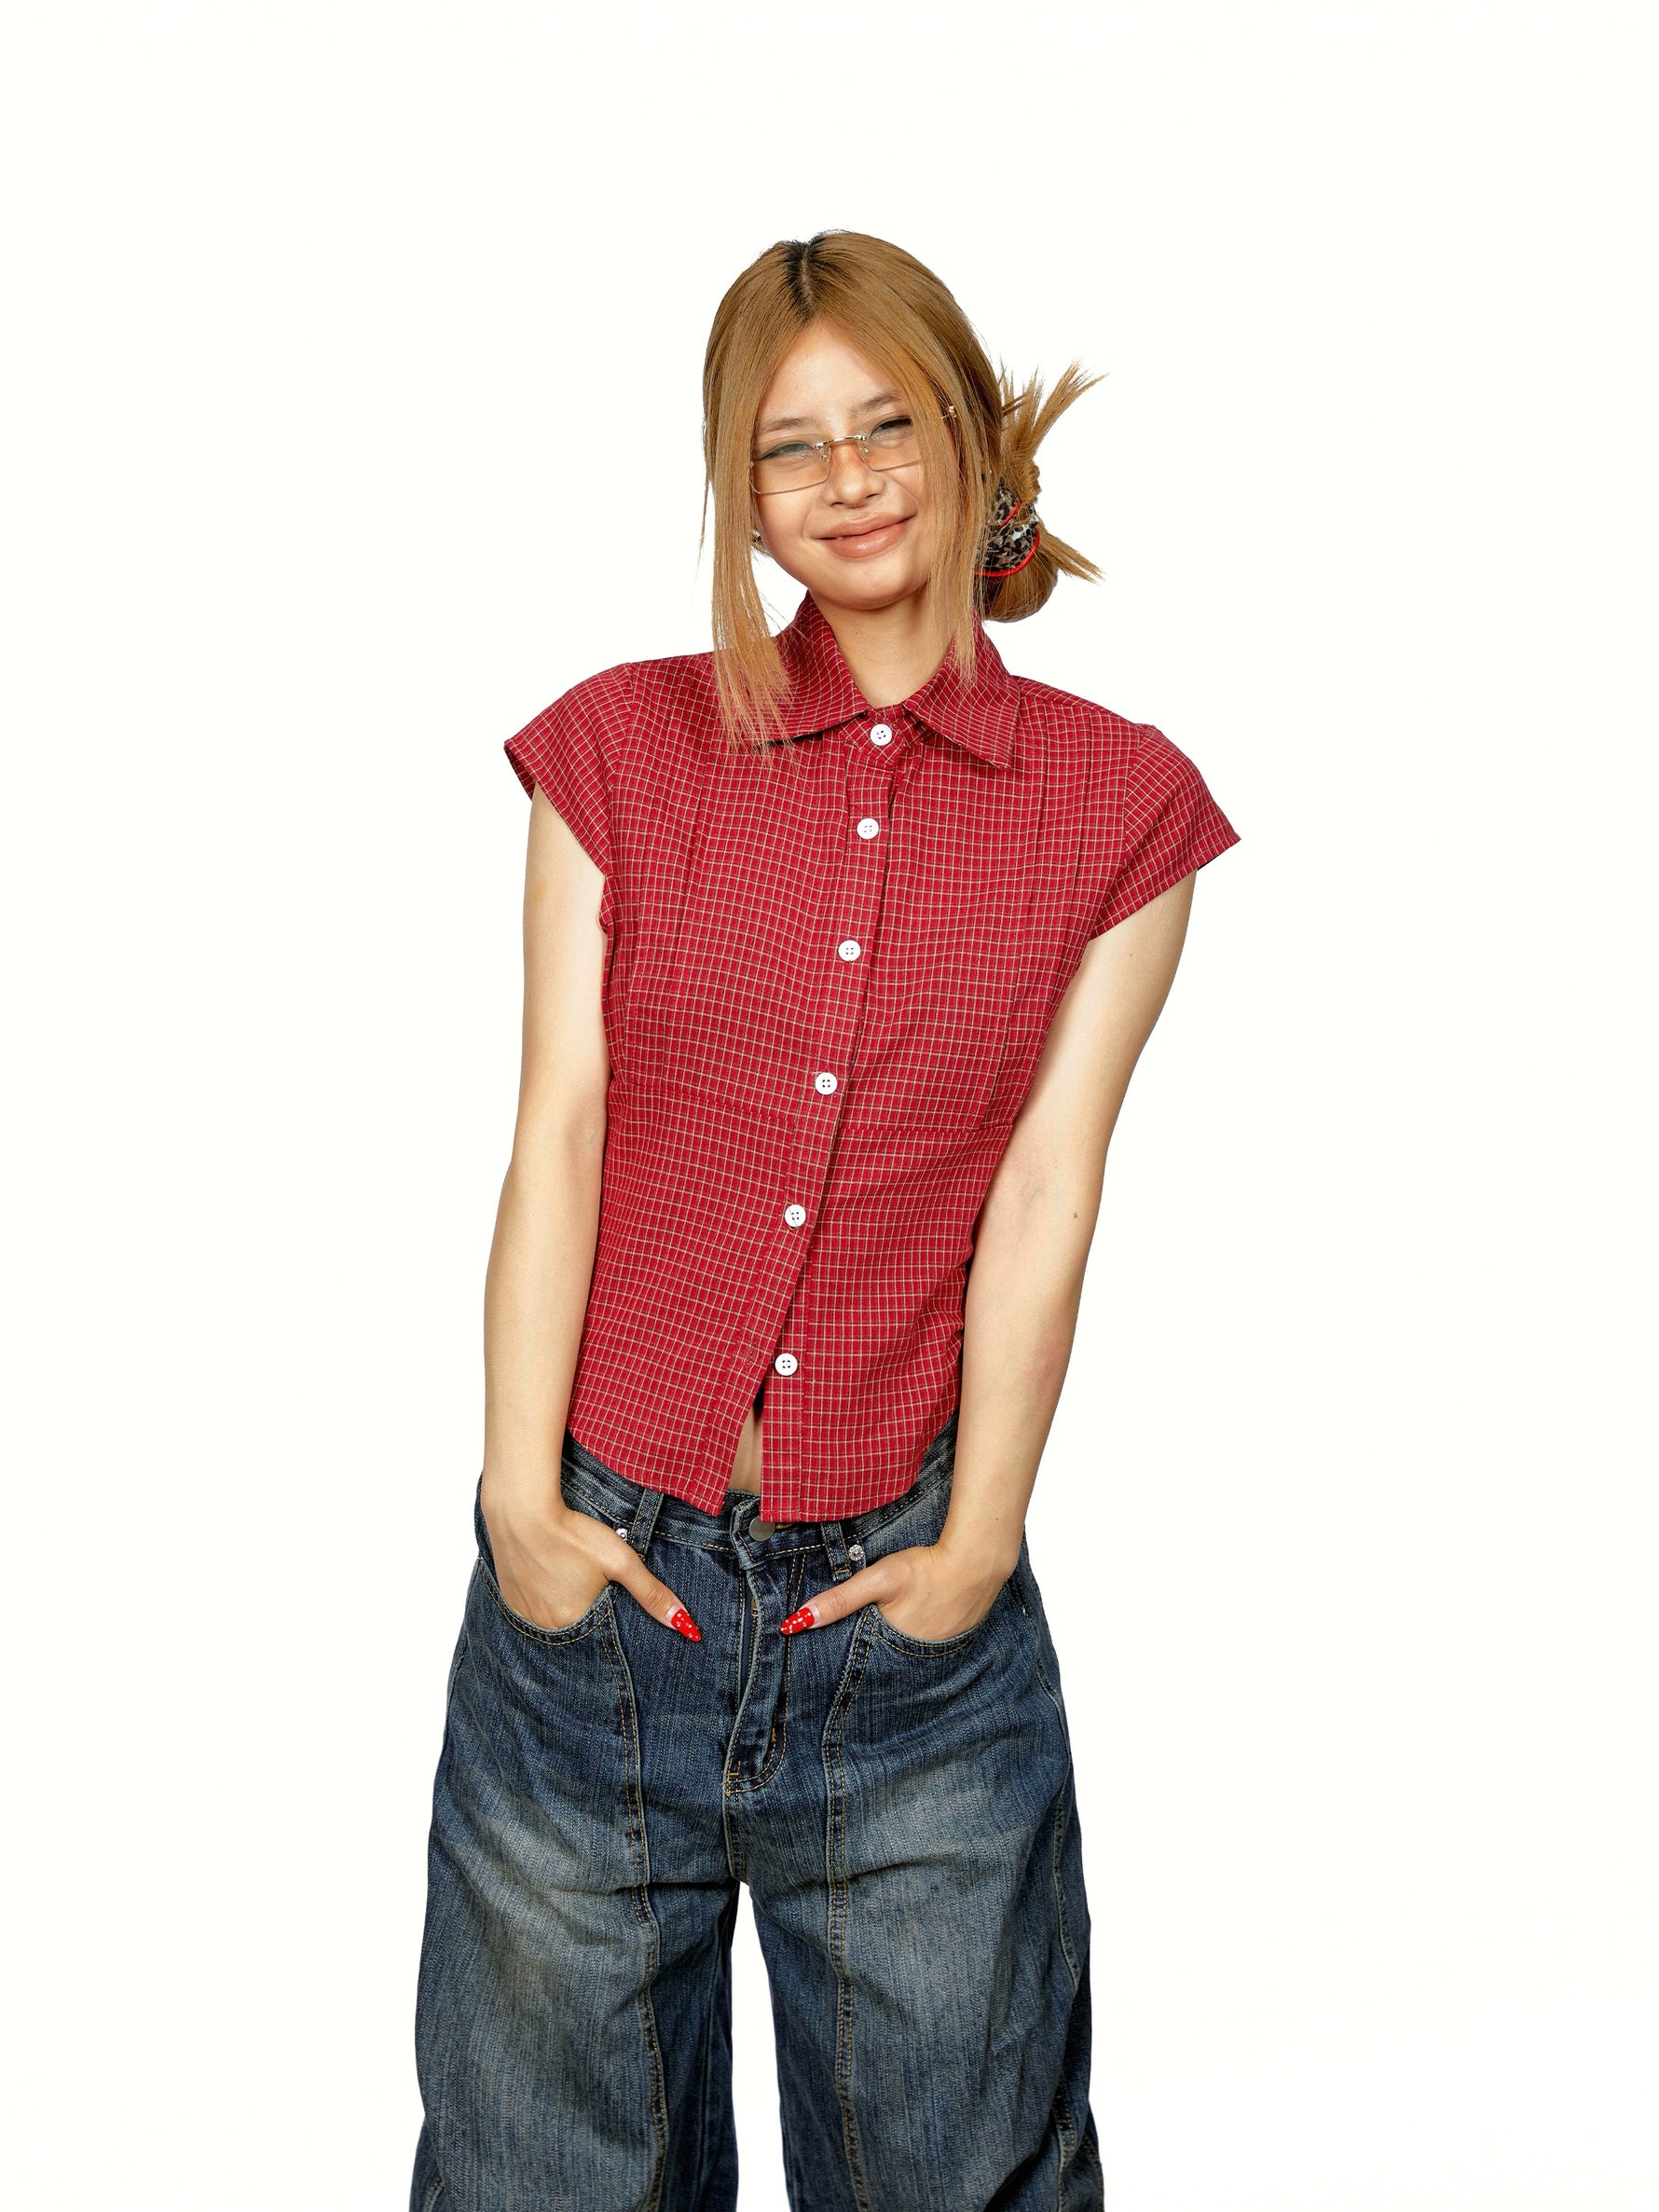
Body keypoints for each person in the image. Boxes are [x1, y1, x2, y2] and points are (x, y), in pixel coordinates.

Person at [410, 229, 1239, 2212]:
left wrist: (978, 1540)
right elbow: (559, 1128)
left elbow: (1047, 1186)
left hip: (907, 1627)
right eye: (789, 447)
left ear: (969, 441)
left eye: (888, 426)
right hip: (596, 1600)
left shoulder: (1120, 808)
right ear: (736, 484)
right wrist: (521, 1504)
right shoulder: (616, 749)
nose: (847, 480)